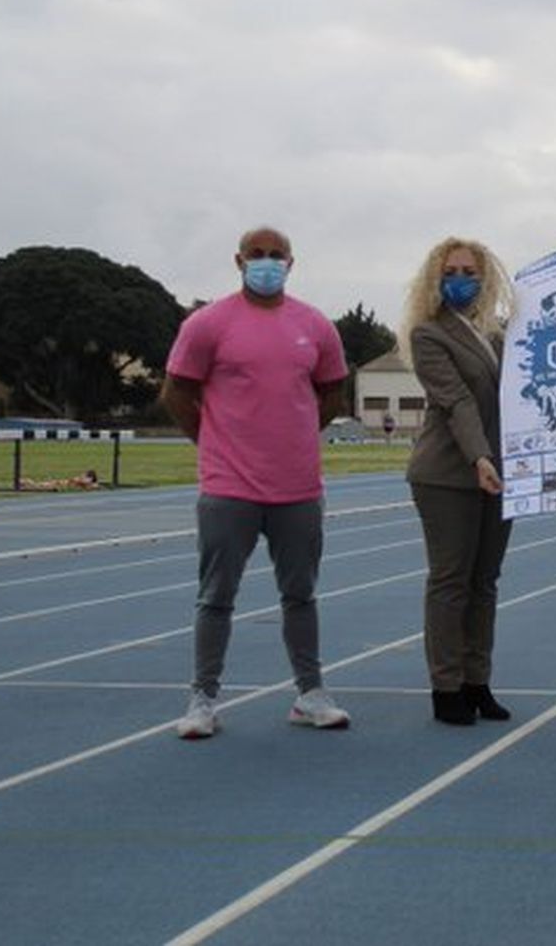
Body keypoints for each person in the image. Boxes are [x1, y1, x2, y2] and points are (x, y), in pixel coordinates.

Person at [161, 226, 352, 740]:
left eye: (276, 256)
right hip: (229, 488)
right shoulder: (208, 324)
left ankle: (310, 692)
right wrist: (209, 441)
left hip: (297, 488)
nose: (266, 263)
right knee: (216, 596)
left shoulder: (314, 325)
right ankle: (202, 698)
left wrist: (301, 434)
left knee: (300, 594)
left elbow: (333, 388)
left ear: (292, 263)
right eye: (257, 256)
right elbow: (176, 389)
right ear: (238, 260)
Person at [401, 237, 516, 726]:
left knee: (484, 582)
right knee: (450, 583)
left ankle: (477, 681)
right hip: (448, 474)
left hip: (498, 475)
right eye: (451, 271)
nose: (461, 280)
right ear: (435, 277)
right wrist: (479, 456)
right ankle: (446, 687)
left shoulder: (497, 336)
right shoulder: (428, 335)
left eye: (470, 271)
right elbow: (457, 403)